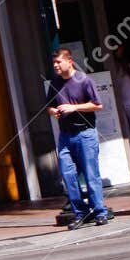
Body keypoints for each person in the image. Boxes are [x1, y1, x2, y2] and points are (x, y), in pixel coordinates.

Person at [49, 47, 108, 227]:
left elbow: (98, 105)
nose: (56, 66)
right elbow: (49, 106)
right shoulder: (55, 83)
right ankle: (80, 213)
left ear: (69, 61)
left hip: (85, 134)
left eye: (59, 62)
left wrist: (74, 107)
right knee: (68, 175)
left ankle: (99, 212)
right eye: (54, 63)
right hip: (65, 136)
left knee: (91, 174)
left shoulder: (83, 81)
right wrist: (54, 111)